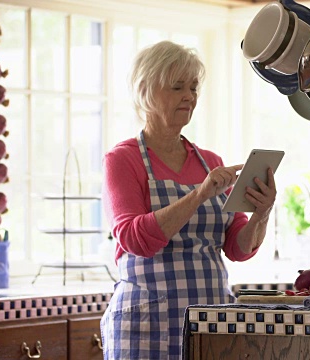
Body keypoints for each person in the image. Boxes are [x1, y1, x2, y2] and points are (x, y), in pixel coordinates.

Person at [100, 40, 277, 359]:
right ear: (146, 90)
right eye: (177, 87)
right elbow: (135, 239)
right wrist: (199, 195)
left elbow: (237, 247)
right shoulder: (123, 160)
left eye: (193, 88)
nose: (189, 96)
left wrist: (261, 214)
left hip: (211, 322)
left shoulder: (210, 161)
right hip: (145, 326)